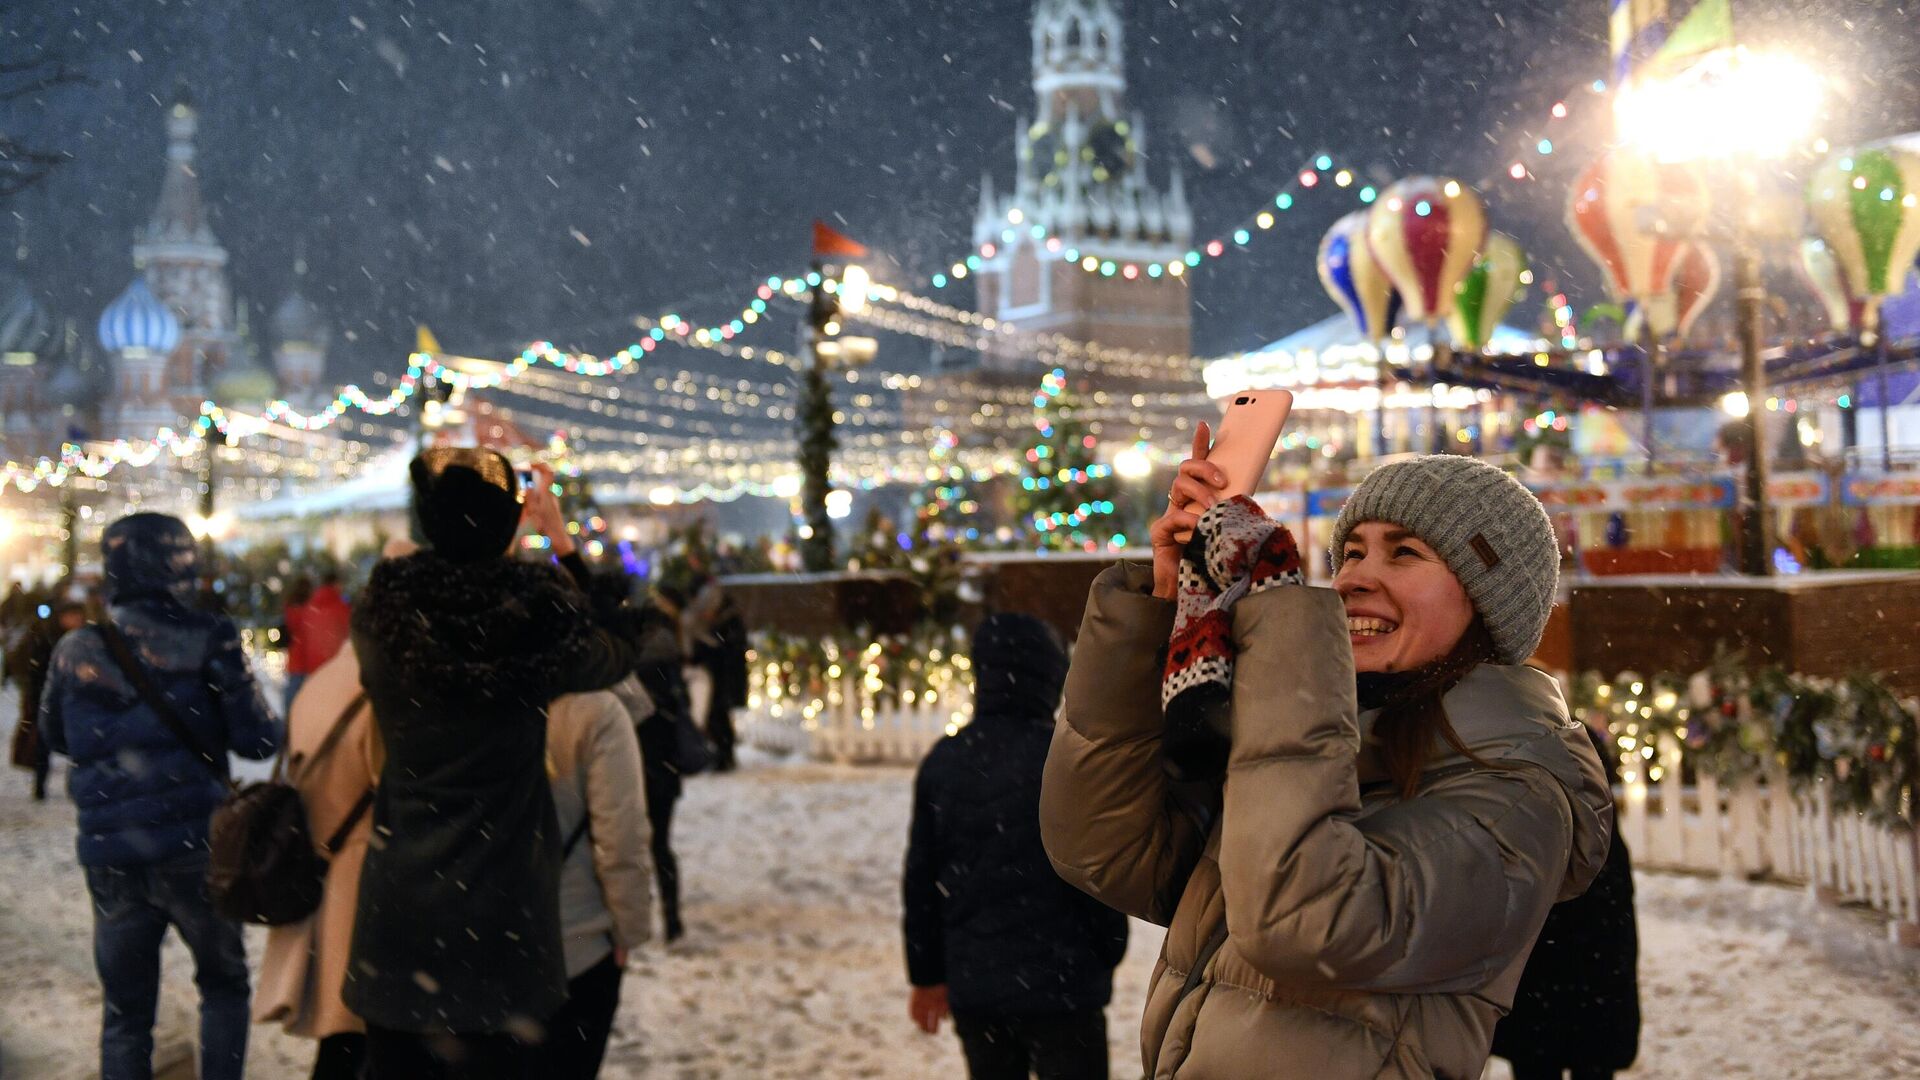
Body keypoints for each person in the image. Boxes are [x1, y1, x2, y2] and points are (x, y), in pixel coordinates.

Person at [1040, 448, 1614, 1079]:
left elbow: (1300, 922)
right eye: (1354, 553)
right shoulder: (1333, 744)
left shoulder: (1519, 796)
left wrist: (1287, 639)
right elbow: (1104, 849)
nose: (1354, 579)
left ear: (1488, 600)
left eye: (1404, 553)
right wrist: (1160, 606)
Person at [343, 450, 637, 1078]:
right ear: (510, 529)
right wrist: (561, 547)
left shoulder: (383, 616)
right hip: (507, 923)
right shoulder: (538, 620)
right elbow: (615, 647)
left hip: (400, 913)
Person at [39, 512, 280, 1080]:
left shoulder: (77, 648)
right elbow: (260, 737)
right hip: (197, 846)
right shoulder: (211, 637)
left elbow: (54, 735)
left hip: (112, 854)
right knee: (222, 985)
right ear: (184, 565)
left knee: (126, 1014)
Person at [904, 612, 1129, 1080]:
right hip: (1064, 989)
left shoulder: (945, 763)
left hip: (979, 987)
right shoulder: (1067, 763)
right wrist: (1105, 949)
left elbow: (922, 881)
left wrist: (927, 975)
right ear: (1050, 677)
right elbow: (1097, 872)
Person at [255, 540, 417, 1080]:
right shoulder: (387, 692)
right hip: (368, 889)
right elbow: (402, 795)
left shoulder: (324, 682)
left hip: (324, 877)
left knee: (343, 1045)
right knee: (364, 1044)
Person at [1491, 723, 1641, 1080]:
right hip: (1582, 958)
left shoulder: (1521, 743)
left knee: (1541, 1056)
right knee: (1579, 1055)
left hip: (1550, 952)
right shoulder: (1575, 743)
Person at [528, 684, 653, 1078]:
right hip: (578, 940)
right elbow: (621, 840)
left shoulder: (483, 688)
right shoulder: (598, 710)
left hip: (488, 938)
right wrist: (627, 931)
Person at [627, 581, 696, 943]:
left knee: (631, 847)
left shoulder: (628, 672)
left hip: (634, 768)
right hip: (663, 767)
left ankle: (637, 914)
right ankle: (672, 916)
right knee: (661, 845)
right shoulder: (669, 666)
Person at [9, 598, 87, 800]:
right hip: (46, 696)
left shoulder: (85, 639)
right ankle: (40, 785)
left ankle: (77, 785)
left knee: (78, 743)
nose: (77, 620)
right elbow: (32, 668)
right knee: (43, 742)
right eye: (72, 616)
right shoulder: (45, 637)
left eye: (79, 616)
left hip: (74, 700)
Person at [687, 576, 748, 772]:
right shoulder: (722, 620)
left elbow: (731, 648)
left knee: (719, 715)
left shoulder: (727, 620)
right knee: (717, 715)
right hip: (718, 674)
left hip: (724, 675)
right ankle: (723, 755)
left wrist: (710, 649)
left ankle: (725, 755)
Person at [284, 570, 352, 715]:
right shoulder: (339, 607)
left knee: (297, 711)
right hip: (327, 668)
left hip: (304, 665)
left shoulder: (308, 607)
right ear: (336, 584)